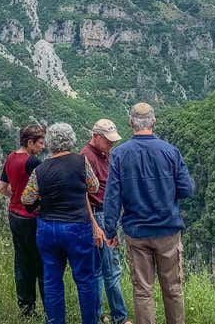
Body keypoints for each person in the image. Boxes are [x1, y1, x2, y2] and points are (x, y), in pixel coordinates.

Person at [103, 103, 194, 324]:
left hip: (137, 232)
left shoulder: (120, 154)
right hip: (168, 231)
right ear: (153, 122)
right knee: (173, 288)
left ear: (131, 123)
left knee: (143, 290)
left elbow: (112, 196)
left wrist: (110, 230)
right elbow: (187, 189)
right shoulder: (170, 151)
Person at [21, 122, 103, 324]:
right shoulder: (81, 162)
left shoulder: (40, 169)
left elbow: (26, 199)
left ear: (50, 142)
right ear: (71, 140)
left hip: (48, 228)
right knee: (85, 280)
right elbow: (94, 187)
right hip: (77, 227)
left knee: (52, 280)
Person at [80, 120, 131, 324]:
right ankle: (120, 317)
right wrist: (94, 224)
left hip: (106, 213)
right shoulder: (86, 156)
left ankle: (99, 313)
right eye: (108, 141)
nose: (111, 145)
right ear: (96, 136)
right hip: (99, 214)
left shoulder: (104, 154)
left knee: (100, 269)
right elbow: (83, 193)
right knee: (112, 270)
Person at [0, 124, 46, 317]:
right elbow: (44, 189)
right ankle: (49, 308)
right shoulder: (32, 162)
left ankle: (26, 308)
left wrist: (16, 195)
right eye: (40, 143)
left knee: (22, 261)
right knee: (41, 262)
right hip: (31, 218)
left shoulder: (10, 157)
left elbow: (1, 188)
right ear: (30, 142)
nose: (42, 147)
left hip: (14, 215)